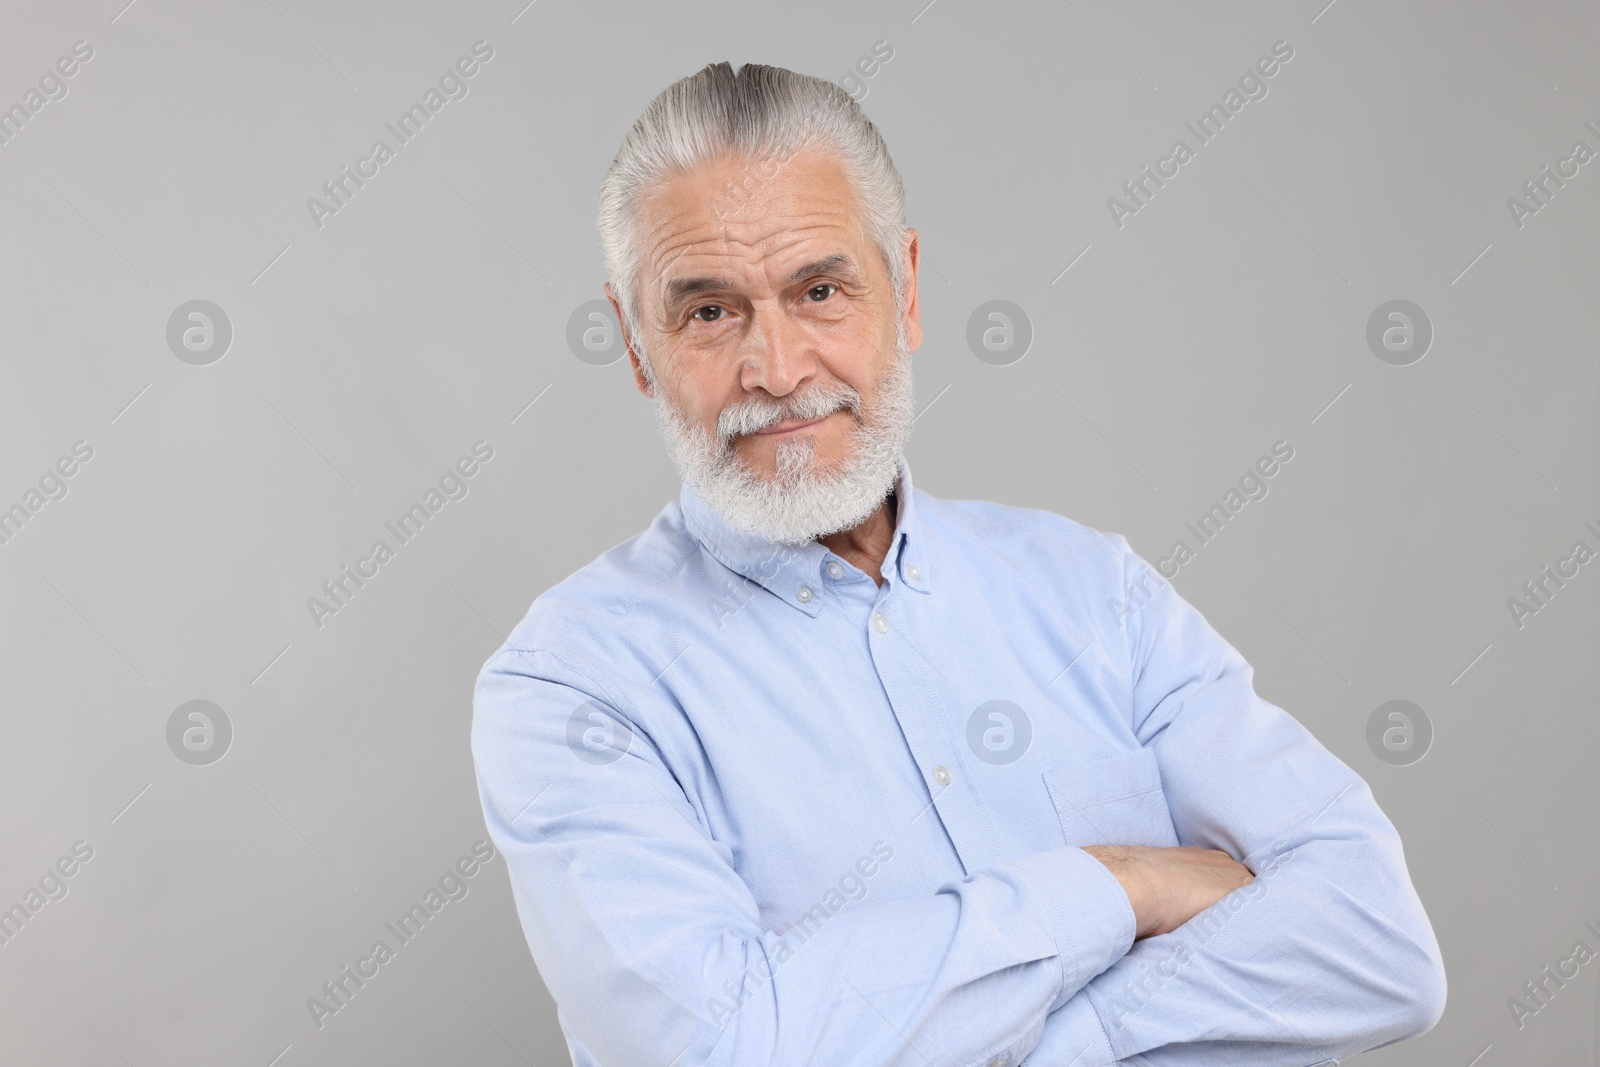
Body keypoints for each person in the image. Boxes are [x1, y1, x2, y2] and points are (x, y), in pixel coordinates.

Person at [471, 61, 1445, 1066]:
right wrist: (1125, 885)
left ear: (906, 288)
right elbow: (718, 1048)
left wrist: (1048, 1035)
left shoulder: (1091, 588)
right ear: (637, 346)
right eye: (709, 312)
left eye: (819, 288)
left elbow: (1378, 946)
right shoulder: (571, 683)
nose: (778, 368)